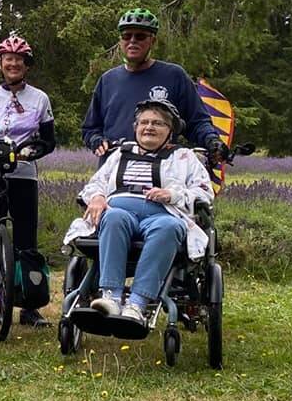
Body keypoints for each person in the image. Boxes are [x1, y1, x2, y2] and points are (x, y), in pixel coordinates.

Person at [67, 99, 214, 325]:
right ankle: (111, 297)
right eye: (144, 122)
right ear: (135, 128)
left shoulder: (184, 157)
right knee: (114, 217)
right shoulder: (119, 154)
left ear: (170, 130)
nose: (149, 127)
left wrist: (172, 195)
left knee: (169, 227)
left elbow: (204, 192)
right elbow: (96, 184)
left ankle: (137, 304)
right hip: (119, 211)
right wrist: (96, 197)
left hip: (163, 214)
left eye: (158, 123)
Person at [0, 35, 56, 327]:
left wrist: (34, 151)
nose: (14, 64)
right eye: (8, 59)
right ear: (0, 64)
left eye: (19, 60)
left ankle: (29, 305)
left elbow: (49, 141)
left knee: (25, 240)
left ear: (26, 65)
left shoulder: (40, 98)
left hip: (22, 173)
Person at [82, 7, 228, 163]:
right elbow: (90, 128)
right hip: (115, 170)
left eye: (140, 36)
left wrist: (211, 140)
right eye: (126, 36)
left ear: (152, 41)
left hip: (161, 170)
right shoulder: (107, 80)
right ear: (120, 40)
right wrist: (96, 140)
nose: (132, 41)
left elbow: (197, 122)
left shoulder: (174, 75)